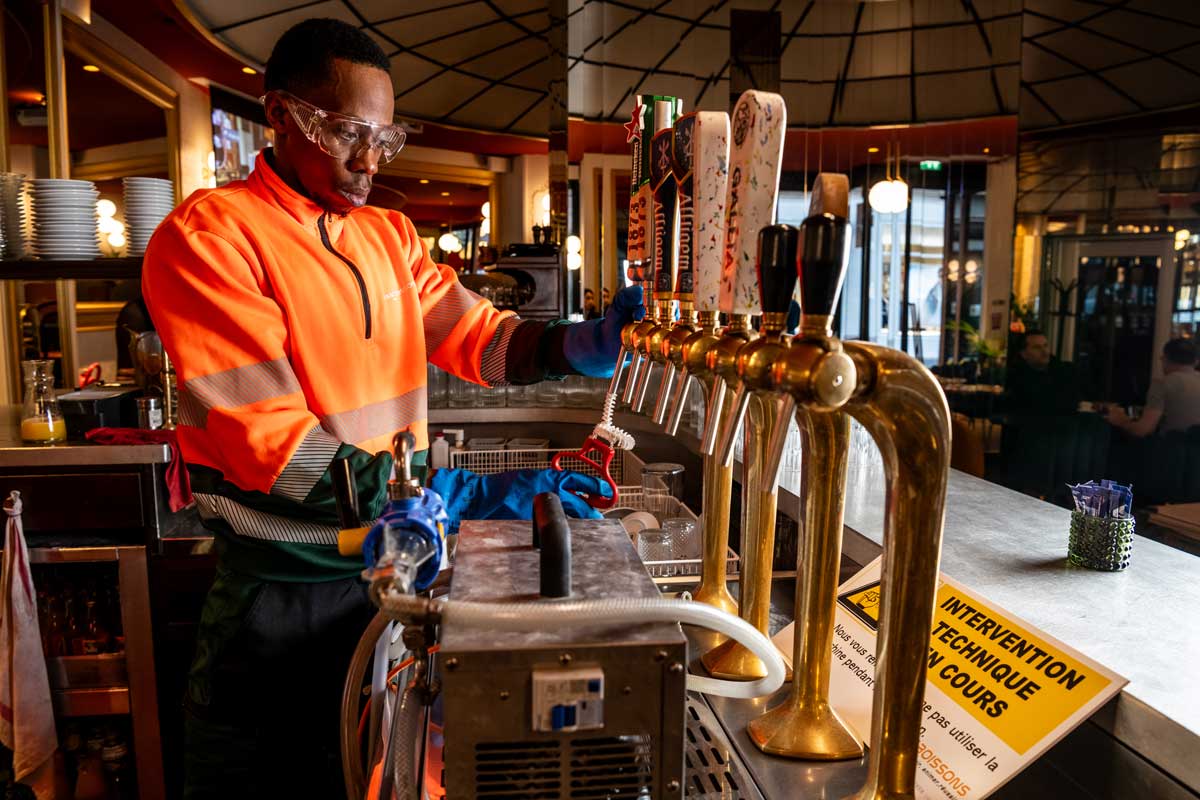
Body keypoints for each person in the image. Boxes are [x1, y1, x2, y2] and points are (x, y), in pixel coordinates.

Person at [140, 19, 643, 799]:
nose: (369, 161)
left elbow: (481, 337)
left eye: (385, 138)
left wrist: (572, 345)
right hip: (284, 594)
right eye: (346, 133)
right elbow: (279, 447)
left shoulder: (390, 235)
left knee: (379, 772)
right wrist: (466, 499)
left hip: (390, 577)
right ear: (281, 115)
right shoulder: (210, 238)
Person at [1107, 337, 1200, 437]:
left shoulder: (1162, 384)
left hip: (1173, 450)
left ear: (1165, 359)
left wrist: (1121, 421)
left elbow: (1143, 430)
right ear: (1196, 361)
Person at [1003, 329, 1081, 416]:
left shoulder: (1064, 370)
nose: (1045, 351)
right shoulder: (1017, 376)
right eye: (1037, 347)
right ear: (1024, 354)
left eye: (1045, 346)